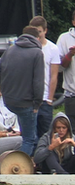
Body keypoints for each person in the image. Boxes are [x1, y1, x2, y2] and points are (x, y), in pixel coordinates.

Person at [0, 26, 43, 156]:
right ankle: (19, 168)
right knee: (29, 139)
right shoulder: (37, 53)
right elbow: (38, 82)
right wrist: (37, 103)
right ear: (37, 38)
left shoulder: (10, 50)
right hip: (27, 103)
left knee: (24, 135)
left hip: (9, 100)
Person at [29, 16, 61, 139]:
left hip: (45, 98)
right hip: (29, 99)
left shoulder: (53, 49)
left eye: (40, 32)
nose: (38, 35)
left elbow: (54, 75)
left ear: (45, 31)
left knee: (46, 134)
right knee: (31, 135)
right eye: (34, 32)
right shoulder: (27, 48)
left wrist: (50, 98)